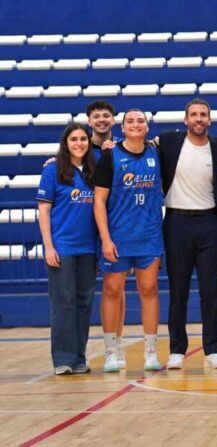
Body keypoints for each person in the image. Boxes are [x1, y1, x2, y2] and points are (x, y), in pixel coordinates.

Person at [156, 99, 217, 370]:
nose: (198, 119)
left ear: (210, 120)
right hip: (176, 221)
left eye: (203, 115)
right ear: (185, 120)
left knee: (210, 290)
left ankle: (212, 349)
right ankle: (177, 349)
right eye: (194, 115)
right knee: (178, 289)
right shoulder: (167, 142)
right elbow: (135, 148)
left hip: (209, 222)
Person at [93, 109, 163, 372]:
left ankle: (150, 351)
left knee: (149, 290)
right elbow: (99, 201)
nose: (136, 125)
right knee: (112, 291)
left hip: (149, 236)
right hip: (118, 237)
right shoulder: (111, 156)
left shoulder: (157, 153)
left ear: (147, 127)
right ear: (122, 128)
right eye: (130, 121)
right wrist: (106, 238)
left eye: (140, 121)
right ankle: (113, 350)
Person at [37, 123, 98, 375]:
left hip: (88, 249)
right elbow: (43, 210)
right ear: (66, 142)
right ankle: (63, 359)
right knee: (64, 304)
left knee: (84, 304)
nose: (79, 143)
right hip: (62, 248)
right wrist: (48, 247)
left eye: (83, 139)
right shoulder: (53, 170)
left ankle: (79, 358)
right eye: (74, 139)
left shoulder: (94, 170)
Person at [85, 101, 129, 369]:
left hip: (115, 223)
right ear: (89, 121)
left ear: (113, 120)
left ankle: (116, 343)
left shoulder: (122, 148)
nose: (101, 120)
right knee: (87, 288)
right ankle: (84, 346)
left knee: (116, 286)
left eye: (106, 116)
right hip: (85, 223)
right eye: (96, 116)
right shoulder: (80, 146)